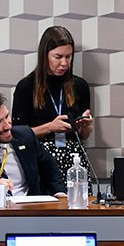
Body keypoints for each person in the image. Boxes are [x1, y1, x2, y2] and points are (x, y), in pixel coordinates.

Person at [12, 26, 94, 176]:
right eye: (58, 57)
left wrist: (87, 126)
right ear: (45, 55)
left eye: (68, 57)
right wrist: (50, 127)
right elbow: (17, 135)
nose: (64, 63)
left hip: (75, 160)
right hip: (40, 158)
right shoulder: (26, 87)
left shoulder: (80, 86)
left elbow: (83, 136)